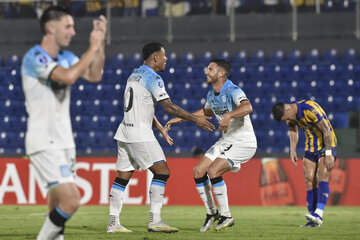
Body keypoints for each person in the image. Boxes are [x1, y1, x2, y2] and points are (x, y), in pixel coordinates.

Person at [107, 42, 215, 233]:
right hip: (140, 133)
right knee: (162, 171)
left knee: (122, 178)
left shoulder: (134, 74)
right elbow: (169, 107)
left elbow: (143, 107)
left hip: (124, 131)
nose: (166, 59)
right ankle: (155, 220)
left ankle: (113, 223)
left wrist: (160, 128)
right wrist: (195, 119)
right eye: (164, 56)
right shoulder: (153, 77)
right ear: (155, 57)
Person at [21, 6, 106, 240]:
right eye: (68, 26)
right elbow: (68, 77)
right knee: (72, 201)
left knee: (56, 200)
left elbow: (95, 74)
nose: (72, 32)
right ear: (51, 28)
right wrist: (92, 47)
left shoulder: (67, 57)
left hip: (64, 141)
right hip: (44, 140)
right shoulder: (35, 57)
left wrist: (100, 43)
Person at [166, 59, 257, 232]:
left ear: (221, 73)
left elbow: (248, 107)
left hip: (243, 140)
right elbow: (206, 113)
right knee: (198, 171)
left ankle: (227, 216)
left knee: (213, 171)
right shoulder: (210, 94)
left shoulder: (233, 90)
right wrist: (182, 118)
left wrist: (228, 116)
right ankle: (212, 213)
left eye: (210, 69)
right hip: (227, 140)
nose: (206, 71)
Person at [272, 100, 337, 227]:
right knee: (309, 179)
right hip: (311, 147)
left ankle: (319, 214)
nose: (287, 121)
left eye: (286, 118)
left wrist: (329, 154)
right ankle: (313, 218)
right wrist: (292, 149)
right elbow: (293, 129)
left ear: (288, 109)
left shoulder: (310, 109)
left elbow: (326, 130)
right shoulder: (290, 116)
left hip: (326, 145)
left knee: (322, 175)